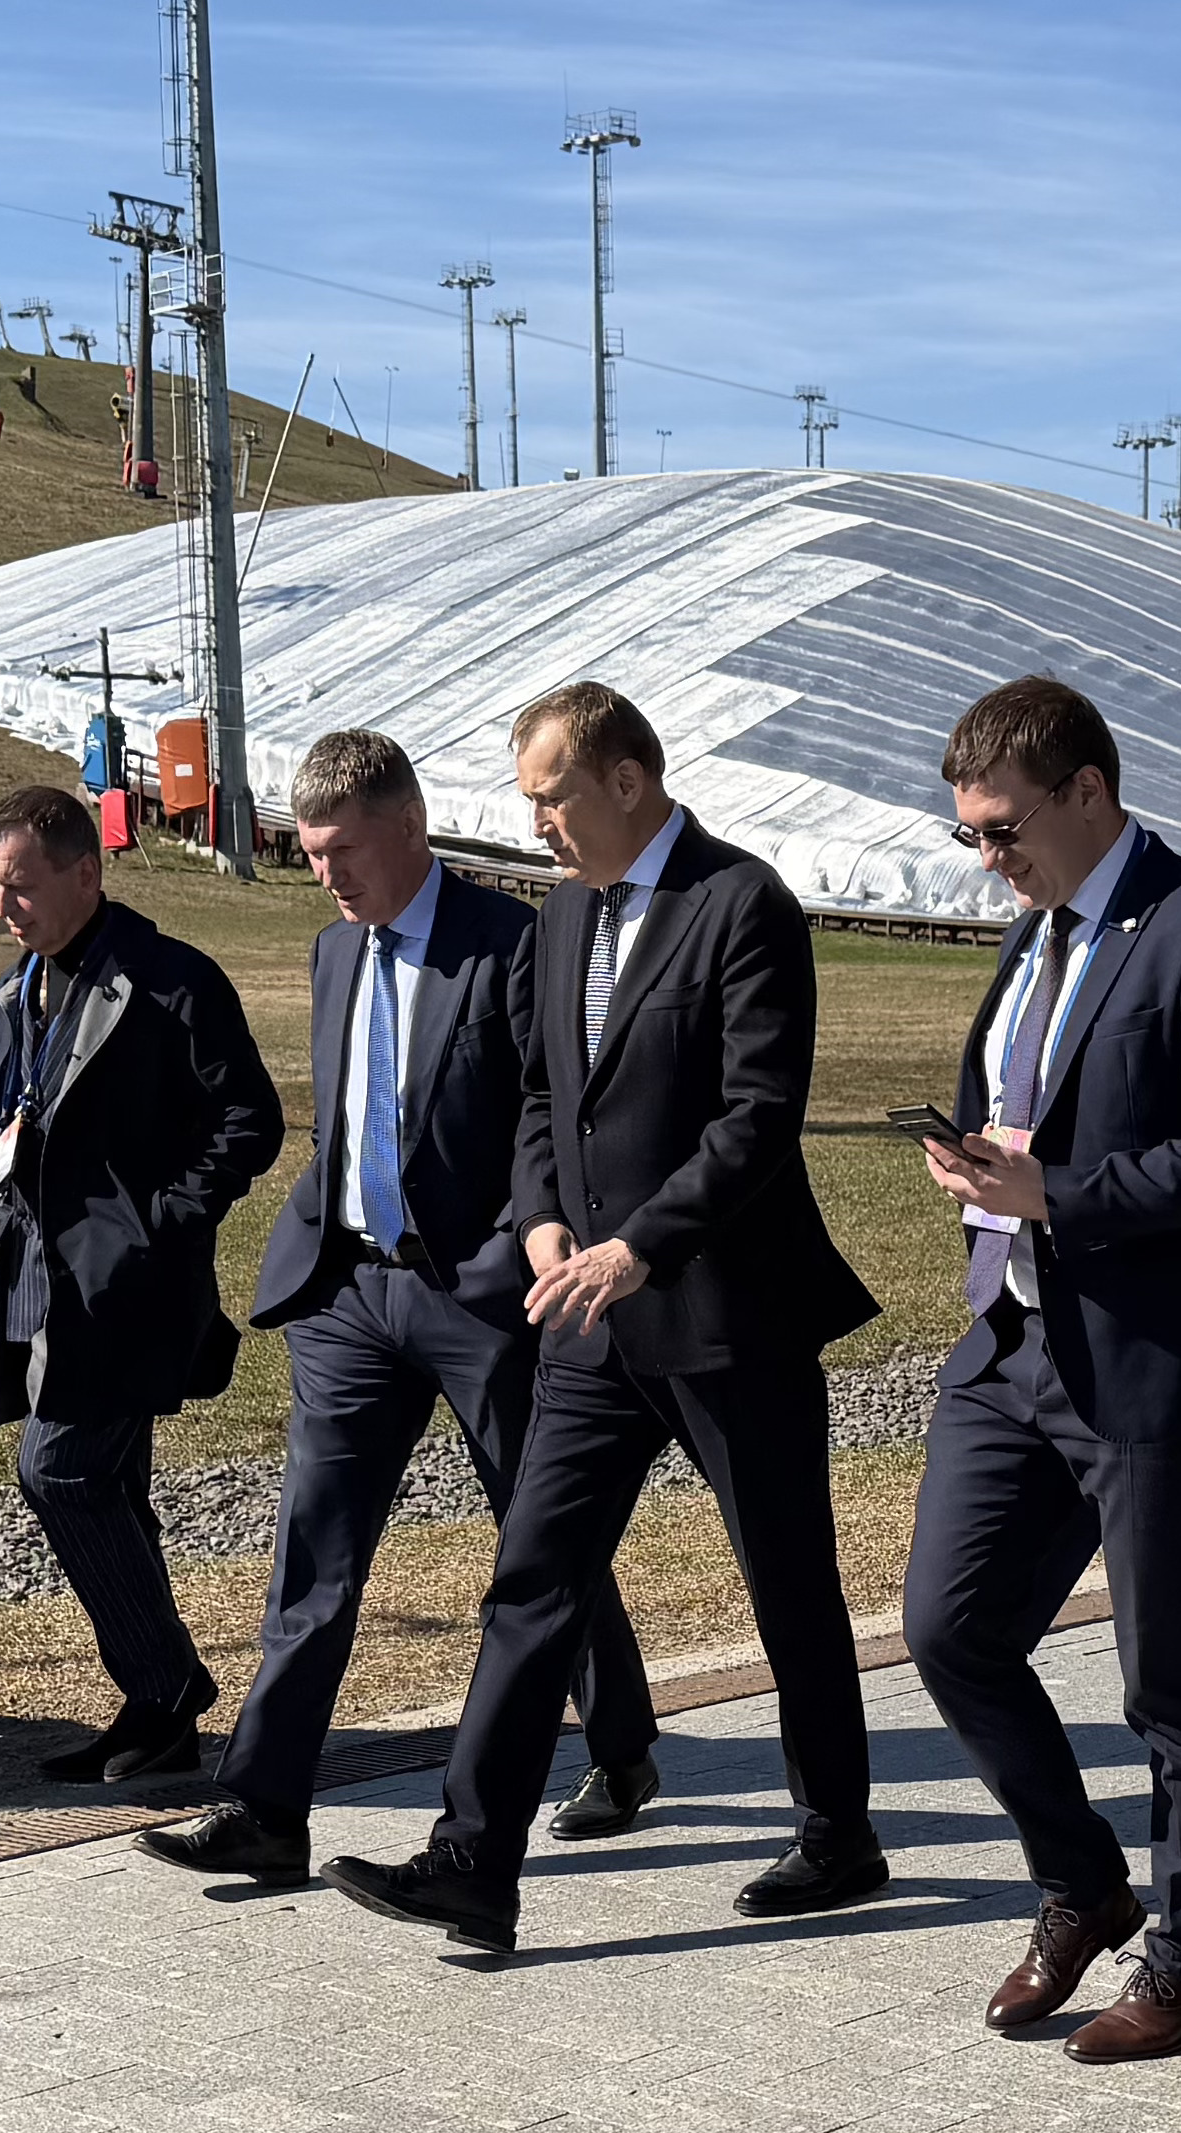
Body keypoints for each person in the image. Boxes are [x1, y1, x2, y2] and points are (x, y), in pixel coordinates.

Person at [318, 683, 884, 1953]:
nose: (539, 823)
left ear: (627, 780)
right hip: (586, 1321)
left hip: (726, 1314)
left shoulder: (741, 904)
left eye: (553, 796)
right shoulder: (564, 911)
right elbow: (542, 1096)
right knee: (532, 1578)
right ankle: (473, 1861)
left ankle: (838, 1828)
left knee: (787, 1578)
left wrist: (642, 1244)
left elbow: (756, 1118)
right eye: (529, 801)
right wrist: (540, 1218)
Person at [141, 732, 659, 1886]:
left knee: (541, 1533)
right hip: (350, 1295)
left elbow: (548, 1119)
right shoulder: (333, 948)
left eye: (343, 850)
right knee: (314, 1551)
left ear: (410, 828)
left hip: (483, 1294)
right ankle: (264, 1806)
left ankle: (621, 1745)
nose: (325, 873)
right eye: (310, 851)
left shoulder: (515, 944)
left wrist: (522, 1252)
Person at [903, 679, 1181, 2066]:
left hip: (1150, 1363)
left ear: (1087, 790)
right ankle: (1082, 1882)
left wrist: (1057, 1189)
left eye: (1001, 828)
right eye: (968, 834)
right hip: (1012, 1344)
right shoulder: (1035, 934)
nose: (987, 858)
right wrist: (978, 1164)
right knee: (947, 1627)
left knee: (1168, 1681)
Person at [0, 785, 282, 1781]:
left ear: (85, 872)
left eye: (20, 886)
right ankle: (158, 1717)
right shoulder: (13, 990)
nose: (4, 907)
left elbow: (250, 1120)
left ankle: (168, 1685)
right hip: (34, 1288)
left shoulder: (171, 979)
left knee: (57, 1470)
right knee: (109, 1489)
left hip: (128, 1294)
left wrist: (158, 1225)